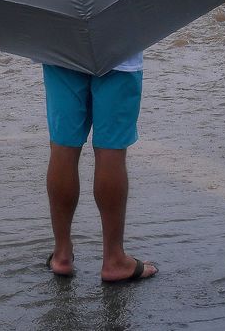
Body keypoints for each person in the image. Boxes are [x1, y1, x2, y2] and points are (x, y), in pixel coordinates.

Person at [42, 49, 158, 284]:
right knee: (111, 149)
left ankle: (62, 254)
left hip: (60, 40)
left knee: (63, 144)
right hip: (119, 43)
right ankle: (114, 259)